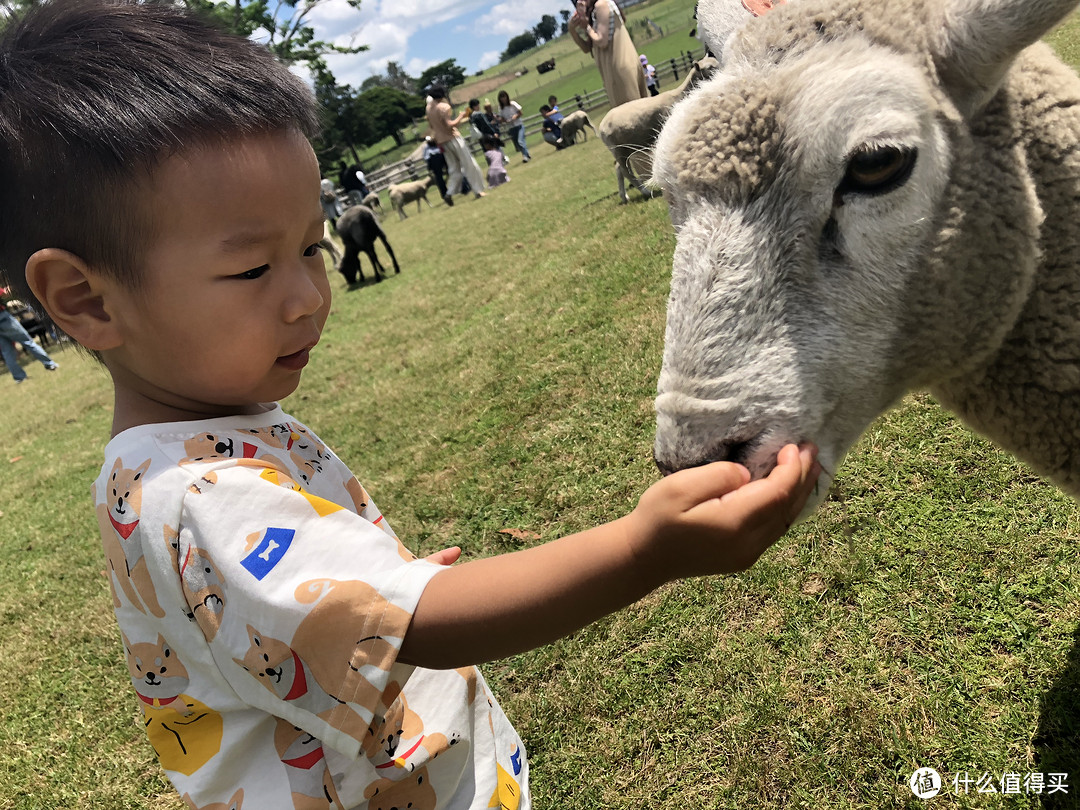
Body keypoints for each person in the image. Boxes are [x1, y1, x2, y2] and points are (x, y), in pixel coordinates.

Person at [0, 2, 821, 808]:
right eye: (253, 270)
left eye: (312, 249)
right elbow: (417, 624)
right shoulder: (198, 500)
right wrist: (646, 551)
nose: (308, 297)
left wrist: (369, 578)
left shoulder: (185, 444)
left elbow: (288, 602)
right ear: (85, 299)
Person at [569, 0, 648, 107]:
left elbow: (602, 41)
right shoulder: (595, 12)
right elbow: (587, 48)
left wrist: (587, 27)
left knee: (630, 115)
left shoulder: (601, 5)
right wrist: (572, 29)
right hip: (619, 69)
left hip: (618, 69)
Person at [425, 85, 486, 204]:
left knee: (454, 169)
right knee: (469, 164)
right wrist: (461, 116)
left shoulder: (428, 109)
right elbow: (450, 125)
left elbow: (432, 126)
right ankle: (478, 190)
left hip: (442, 142)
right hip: (453, 139)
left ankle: (449, 193)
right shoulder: (444, 107)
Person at [0, 304, 58, 383]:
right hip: (3, 318)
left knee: (7, 352)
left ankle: (19, 377)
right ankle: (50, 364)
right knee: (28, 342)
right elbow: (4, 293)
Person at [496, 90, 530, 163]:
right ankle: (527, 154)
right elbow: (502, 118)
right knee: (517, 145)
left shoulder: (513, 104)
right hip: (511, 128)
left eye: (504, 97)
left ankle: (525, 156)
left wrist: (515, 116)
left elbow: (520, 113)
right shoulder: (500, 108)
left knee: (520, 141)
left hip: (519, 125)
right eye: (501, 97)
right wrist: (502, 120)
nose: (503, 99)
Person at [422, 135, 451, 203]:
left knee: (439, 178)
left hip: (434, 159)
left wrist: (429, 167)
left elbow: (426, 157)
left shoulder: (427, 147)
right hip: (440, 156)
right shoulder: (435, 143)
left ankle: (445, 194)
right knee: (443, 176)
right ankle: (446, 194)